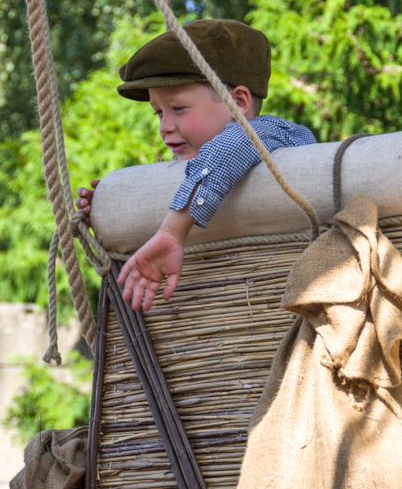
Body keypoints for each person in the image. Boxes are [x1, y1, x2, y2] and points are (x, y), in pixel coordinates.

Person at [75, 19, 316, 311]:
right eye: (158, 113)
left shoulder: (275, 133)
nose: (165, 127)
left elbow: (232, 147)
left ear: (237, 101)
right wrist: (109, 208)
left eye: (178, 109)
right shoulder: (188, 166)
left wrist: (172, 232)